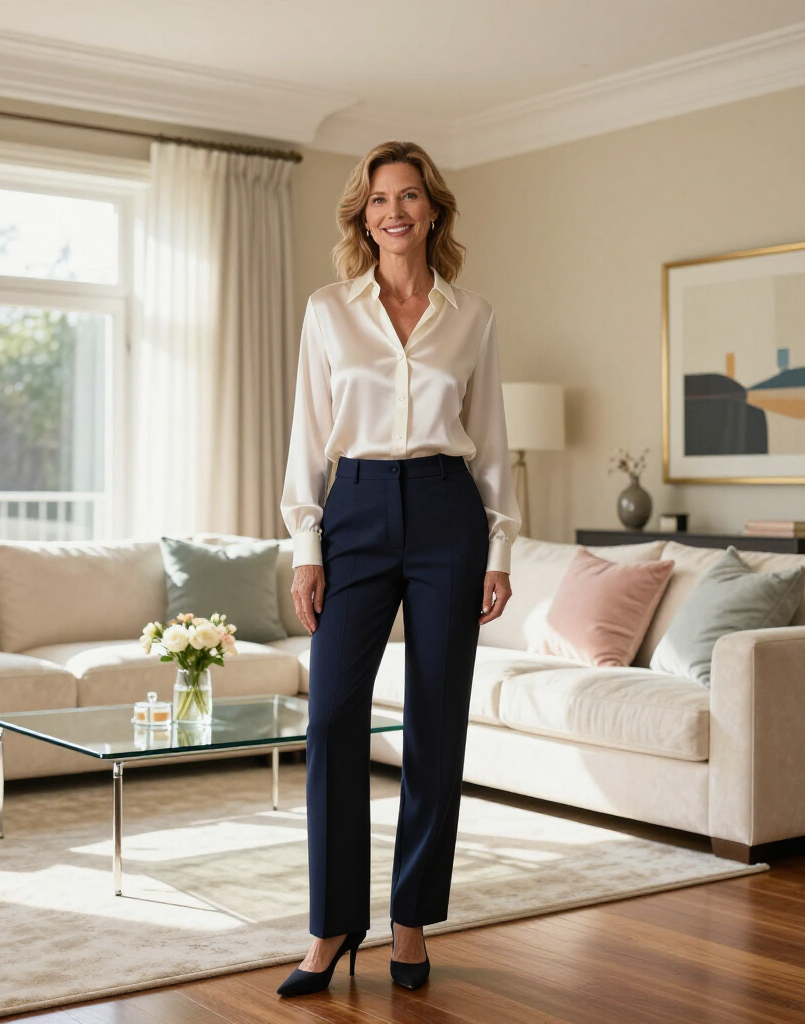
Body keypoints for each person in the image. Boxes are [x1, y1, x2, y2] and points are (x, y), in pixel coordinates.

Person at [277, 141, 521, 996]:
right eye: (380, 198)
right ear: (363, 214)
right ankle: (335, 923)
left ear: (432, 210)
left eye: (410, 195)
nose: (395, 211)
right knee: (334, 716)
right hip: (357, 511)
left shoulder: (473, 315)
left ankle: (411, 923)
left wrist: (498, 550)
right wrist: (306, 547)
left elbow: (491, 443)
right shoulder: (328, 311)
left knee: (435, 724)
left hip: (450, 511)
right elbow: (310, 436)